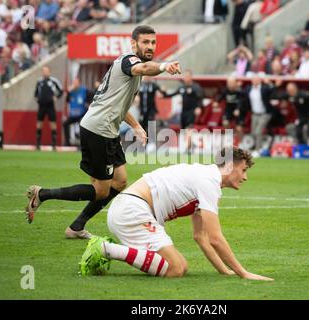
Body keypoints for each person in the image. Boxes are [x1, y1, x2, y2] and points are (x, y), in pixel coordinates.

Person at [25, 25, 182, 239]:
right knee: (101, 190)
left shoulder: (130, 67)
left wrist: (135, 125)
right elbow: (144, 69)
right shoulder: (130, 61)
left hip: (104, 128)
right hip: (99, 130)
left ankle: (76, 227)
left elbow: (118, 104)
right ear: (133, 43)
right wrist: (164, 65)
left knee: (120, 181)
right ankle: (42, 194)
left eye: (153, 43)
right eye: (145, 42)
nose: (150, 46)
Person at [78, 146, 274, 281]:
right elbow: (215, 238)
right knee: (175, 268)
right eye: (244, 170)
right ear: (230, 166)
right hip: (132, 211)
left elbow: (201, 237)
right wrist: (243, 273)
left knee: (180, 267)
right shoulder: (209, 182)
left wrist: (226, 271)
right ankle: (104, 249)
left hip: (131, 210)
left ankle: (106, 249)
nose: (245, 177)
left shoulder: (207, 179)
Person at [34, 66, 64, 150]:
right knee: (39, 124)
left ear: (49, 72)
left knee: (53, 124)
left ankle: (54, 145)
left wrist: (56, 97)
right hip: (41, 106)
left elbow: (61, 91)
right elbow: (35, 93)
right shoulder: (39, 81)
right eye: (43, 71)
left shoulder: (54, 81)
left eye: (46, 71)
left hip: (50, 106)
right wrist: (37, 98)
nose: (45, 72)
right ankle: (38, 144)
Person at [63, 77, 93, 146]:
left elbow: (91, 96)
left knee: (82, 125)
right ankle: (67, 142)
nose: (75, 84)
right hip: (73, 115)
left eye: (76, 82)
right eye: (74, 83)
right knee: (65, 124)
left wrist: (88, 104)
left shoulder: (84, 90)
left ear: (79, 83)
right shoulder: (71, 92)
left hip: (82, 114)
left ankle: (82, 144)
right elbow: (67, 101)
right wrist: (68, 92)